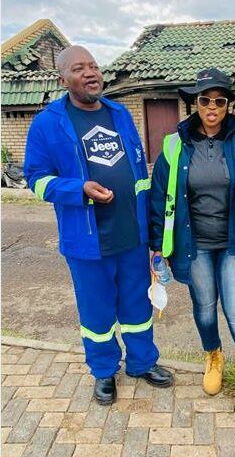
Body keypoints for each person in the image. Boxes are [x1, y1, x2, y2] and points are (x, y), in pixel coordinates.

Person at [24, 45, 173, 405]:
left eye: (93, 66)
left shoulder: (119, 113)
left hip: (132, 234)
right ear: (63, 80)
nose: (90, 73)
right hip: (87, 241)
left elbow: (138, 174)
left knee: (138, 307)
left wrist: (150, 231)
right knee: (96, 311)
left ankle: (141, 362)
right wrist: (79, 190)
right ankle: (104, 371)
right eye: (79, 68)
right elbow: (36, 179)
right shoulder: (48, 123)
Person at [150, 68, 235, 419]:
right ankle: (214, 356)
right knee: (205, 309)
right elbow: (159, 196)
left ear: (227, 105)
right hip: (195, 244)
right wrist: (157, 243)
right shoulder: (175, 145)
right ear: (195, 102)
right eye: (205, 100)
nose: (212, 106)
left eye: (219, 101)